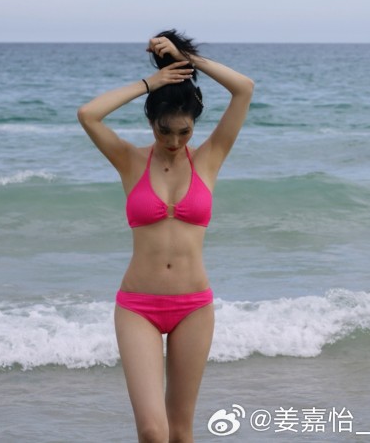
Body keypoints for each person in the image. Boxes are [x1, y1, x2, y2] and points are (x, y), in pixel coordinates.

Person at [77, 30, 253, 443]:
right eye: (164, 131)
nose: (174, 142)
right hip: (138, 307)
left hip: (193, 307)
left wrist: (188, 59)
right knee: (153, 432)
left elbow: (243, 89)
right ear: (150, 122)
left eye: (184, 132)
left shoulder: (209, 158)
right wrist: (149, 82)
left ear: (194, 125)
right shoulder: (128, 160)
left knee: (180, 432)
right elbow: (88, 114)